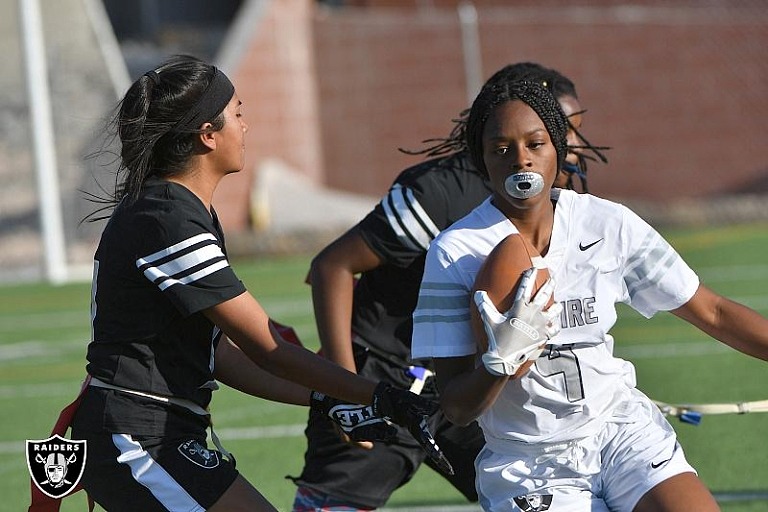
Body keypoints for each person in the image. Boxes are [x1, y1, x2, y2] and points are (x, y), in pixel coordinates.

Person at [67, 55, 448, 512]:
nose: (245, 127)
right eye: (239, 114)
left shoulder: (179, 210)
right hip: (135, 439)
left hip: (160, 434)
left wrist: (327, 399)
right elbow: (269, 347)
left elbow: (220, 355)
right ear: (207, 135)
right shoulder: (167, 218)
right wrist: (379, 395)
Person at [411, 79, 768, 511]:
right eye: (500, 148)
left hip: (620, 431)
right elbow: (456, 408)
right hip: (530, 461)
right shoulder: (456, 250)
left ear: (557, 149)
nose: (520, 158)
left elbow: (712, 311)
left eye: (534, 143)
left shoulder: (607, 223)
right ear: (481, 160)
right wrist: (497, 364)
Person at [290, 62, 608, 511]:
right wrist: (345, 389)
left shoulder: (563, 207)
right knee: (332, 505)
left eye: (574, 131)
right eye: (564, 129)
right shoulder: (441, 192)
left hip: (462, 383)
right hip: (386, 376)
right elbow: (330, 267)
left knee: (543, 495)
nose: (575, 146)